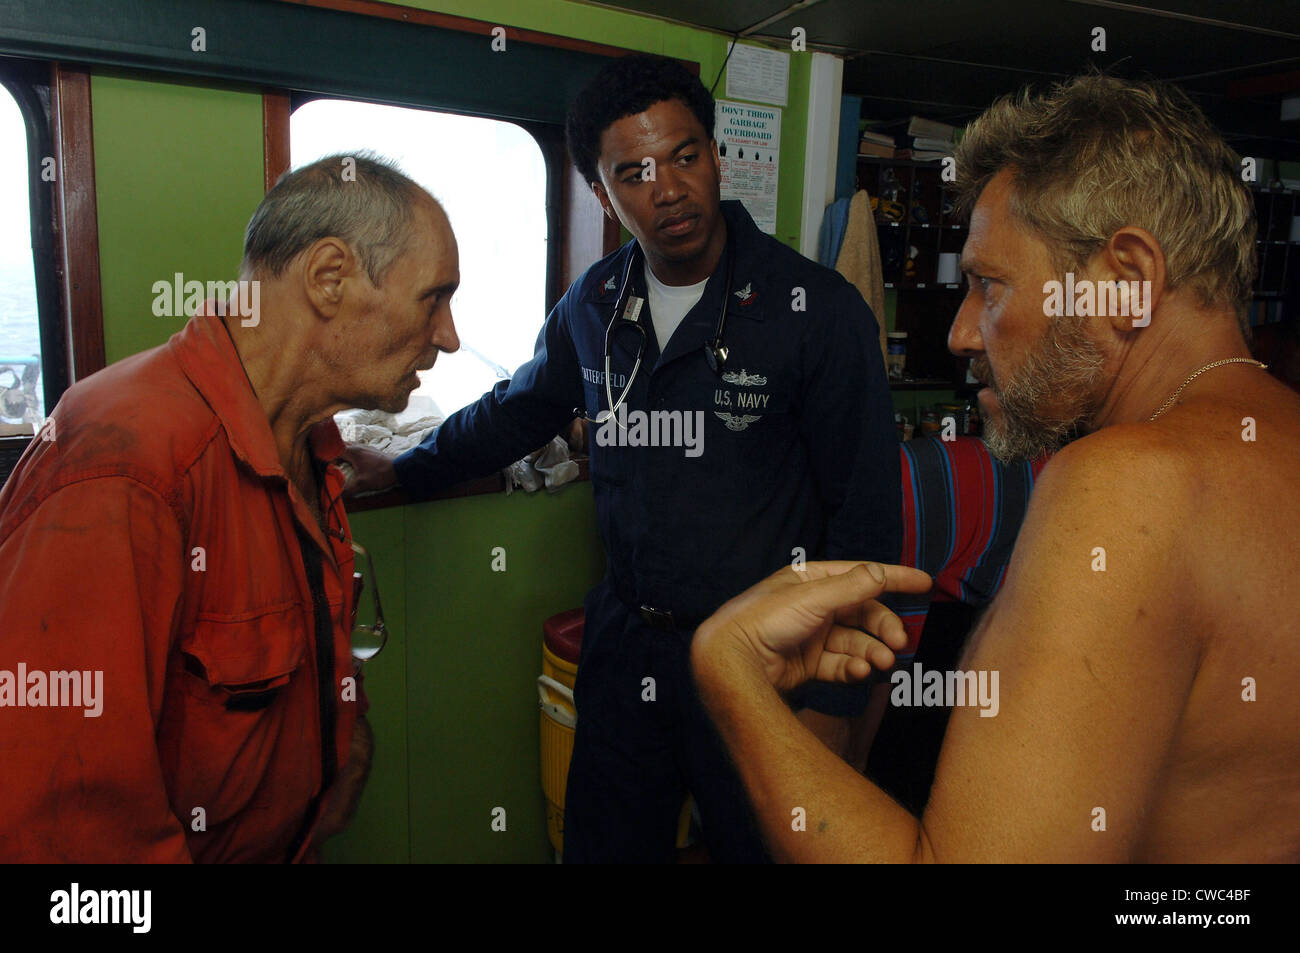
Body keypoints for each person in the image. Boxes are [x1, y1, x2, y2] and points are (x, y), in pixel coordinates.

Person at [691, 74, 1300, 862]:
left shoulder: (1128, 484)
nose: (961, 332)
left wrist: (728, 668)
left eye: (988, 286)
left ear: (1125, 282)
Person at [343, 54, 901, 862]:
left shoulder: (812, 311)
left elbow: (867, 518)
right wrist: (405, 466)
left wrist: (831, 697)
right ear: (603, 194)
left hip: (765, 659)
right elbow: (522, 407)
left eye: (684, 156)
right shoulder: (597, 302)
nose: (667, 188)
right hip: (629, 644)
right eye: (633, 172)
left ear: (716, 157)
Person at [0, 154, 460, 862]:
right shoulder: (125, 461)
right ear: (329, 278)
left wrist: (345, 740)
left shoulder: (307, 440)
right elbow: (69, 836)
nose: (449, 335)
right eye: (434, 298)